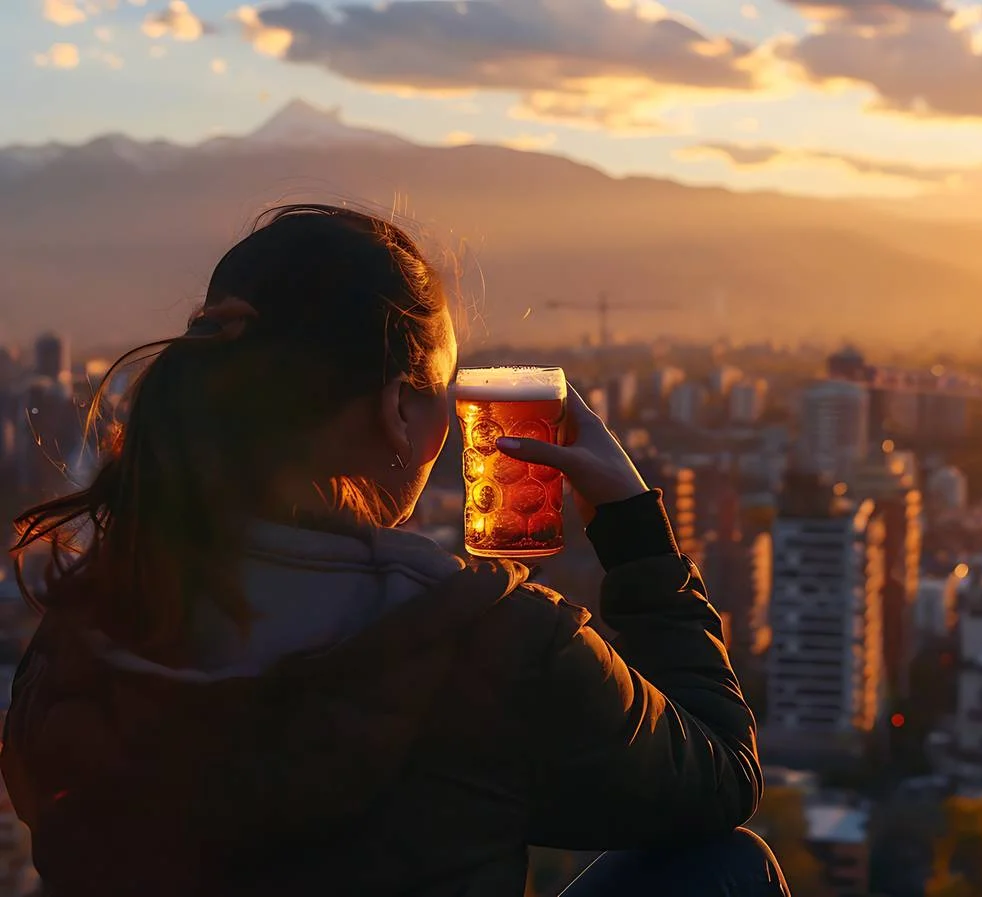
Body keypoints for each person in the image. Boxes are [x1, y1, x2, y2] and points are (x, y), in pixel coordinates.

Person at [2, 204, 790, 897]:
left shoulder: (84, 624)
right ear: (398, 411)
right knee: (727, 865)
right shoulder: (491, 639)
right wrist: (630, 523)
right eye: (442, 392)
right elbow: (723, 775)